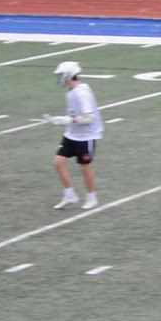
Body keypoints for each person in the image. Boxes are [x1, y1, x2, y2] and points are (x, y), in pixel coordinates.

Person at [49, 61, 103, 210]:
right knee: (58, 162)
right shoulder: (71, 92)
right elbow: (74, 115)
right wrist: (62, 119)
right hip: (72, 134)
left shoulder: (82, 93)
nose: (59, 78)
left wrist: (69, 120)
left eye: (61, 75)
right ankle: (70, 195)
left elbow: (89, 118)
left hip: (86, 136)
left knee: (84, 166)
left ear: (68, 75)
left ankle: (92, 197)